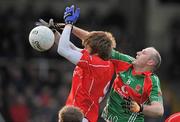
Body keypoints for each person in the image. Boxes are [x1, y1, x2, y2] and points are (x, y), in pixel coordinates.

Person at [52, 23, 164, 122]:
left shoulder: (152, 81)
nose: (138, 52)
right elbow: (96, 42)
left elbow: (159, 110)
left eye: (143, 53)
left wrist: (140, 108)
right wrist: (70, 27)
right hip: (106, 118)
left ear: (150, 62)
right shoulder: (125, 61)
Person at [37, 5, 116, 122]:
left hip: (82, 117)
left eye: (87, 43)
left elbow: (63, 50)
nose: (84, 44)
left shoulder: (97, 64)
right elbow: (70, 48)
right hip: (78, 115)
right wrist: (54, 32)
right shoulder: (98, 60)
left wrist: (69, 24)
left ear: (95, 48)